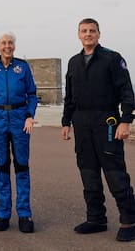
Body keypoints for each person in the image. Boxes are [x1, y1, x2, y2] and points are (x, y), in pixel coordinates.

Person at [62, 18, 135, 242]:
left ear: (99, 34)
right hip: (82, 122)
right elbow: (70, 97)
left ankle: (129, 220)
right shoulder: (74, 62)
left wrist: (125, 120)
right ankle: (96, 219)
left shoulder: (112, 59)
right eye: (84, 31)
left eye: (92, 31)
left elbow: (127, 92)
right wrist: (66, 122)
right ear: (78, 35)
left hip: (107, 120)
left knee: (114, 172)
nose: (88, 34)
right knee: (88, 172)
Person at [0, 32, 38, 234]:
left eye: (10, 43)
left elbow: (32, 94)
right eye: (4, 43)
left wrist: (30, 115)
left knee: (21, 166)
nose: (7, 46)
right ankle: (3, 213)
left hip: (19, 120)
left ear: (14, 46)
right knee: (2, 166)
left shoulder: (22, 67)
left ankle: (24, 214)